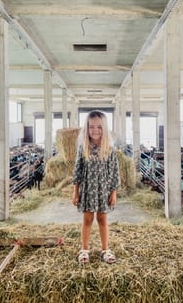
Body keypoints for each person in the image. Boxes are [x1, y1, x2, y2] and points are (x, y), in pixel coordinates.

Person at [72, 110, 121, 264]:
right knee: (87, 219)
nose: (95, 130)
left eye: (99, 127)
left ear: (104, 129)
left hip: (103, 190)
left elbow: (114, 172)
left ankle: (105, 250)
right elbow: (77, 170)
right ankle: (84, 250)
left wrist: (113, 193)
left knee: (102, 220)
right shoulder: (83, 148)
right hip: (87, 189)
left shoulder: (109, 149)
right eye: (91, 126)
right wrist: (76, 192)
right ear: (87, 128)